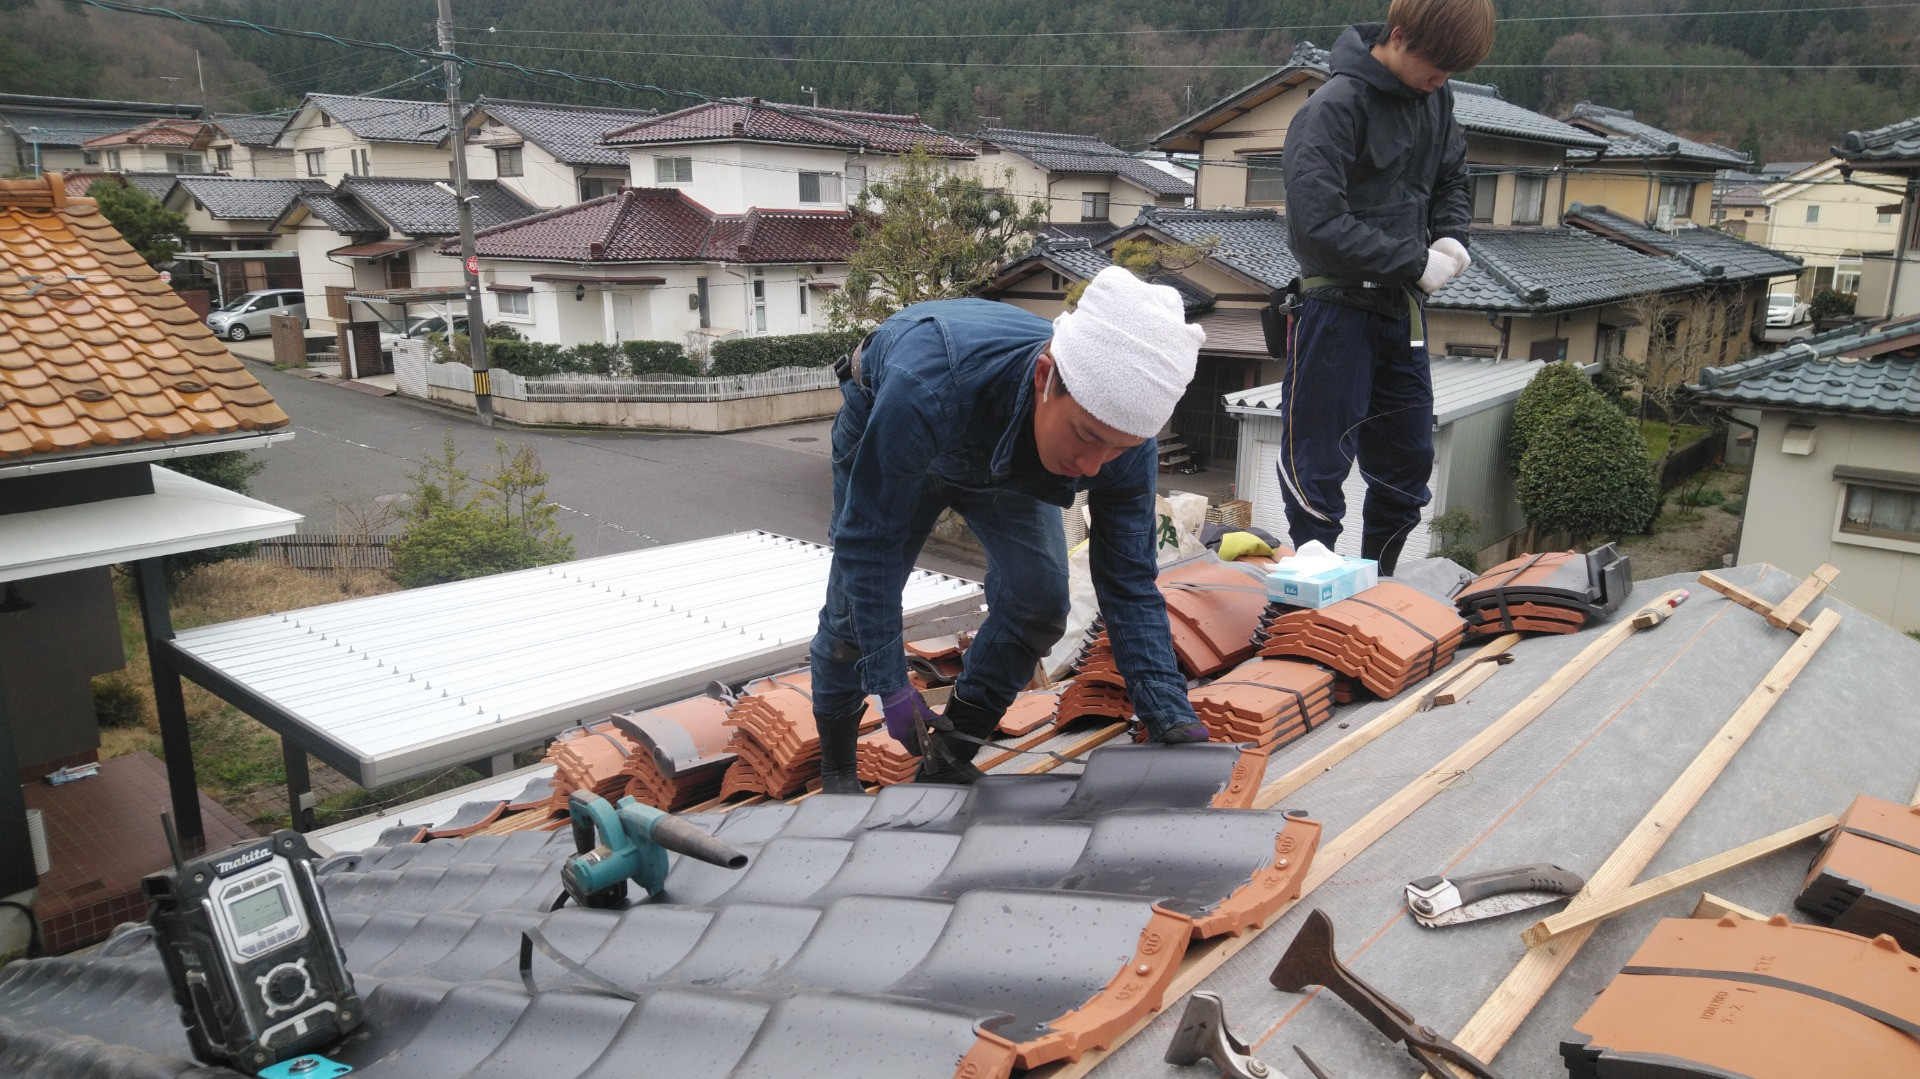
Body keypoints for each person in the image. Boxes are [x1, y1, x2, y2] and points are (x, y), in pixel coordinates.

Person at [809, 267, 1209, 791]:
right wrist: (888, 681)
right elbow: (870, 544)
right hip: (903, 421)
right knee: (849, 622)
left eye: (1119, 448)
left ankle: (948, 755)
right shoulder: (926, 384)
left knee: (1039, 603)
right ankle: (837, 769)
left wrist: (1167, 712)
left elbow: (1128, 580)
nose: (1095, 465)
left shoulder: (1122, 441)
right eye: (1087, 436)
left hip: (1011, 448)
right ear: (1047, 378)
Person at [1276, 0, 1496, 575]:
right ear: (1397, 37)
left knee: (1406, 462)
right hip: (1334, 308)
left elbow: (1453, 175)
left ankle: (1380, 580)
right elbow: (1317, 227)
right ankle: (1314, 586)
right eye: (1437, 66)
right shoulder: (1333, 108)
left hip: (1401, 312)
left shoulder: (1436, 101)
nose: (1442, 80)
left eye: (1452, 73)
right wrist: (1412, 260)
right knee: (1317, 463)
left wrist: (1451, 238)